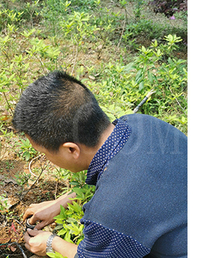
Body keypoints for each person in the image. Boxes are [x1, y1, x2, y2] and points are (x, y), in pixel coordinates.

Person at [13, 71, 187, 257]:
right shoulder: (142, 123)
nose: (46, 159)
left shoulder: (110, 214)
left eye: (44, 153)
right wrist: (64, 201)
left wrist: (50, 243)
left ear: (71, 149)